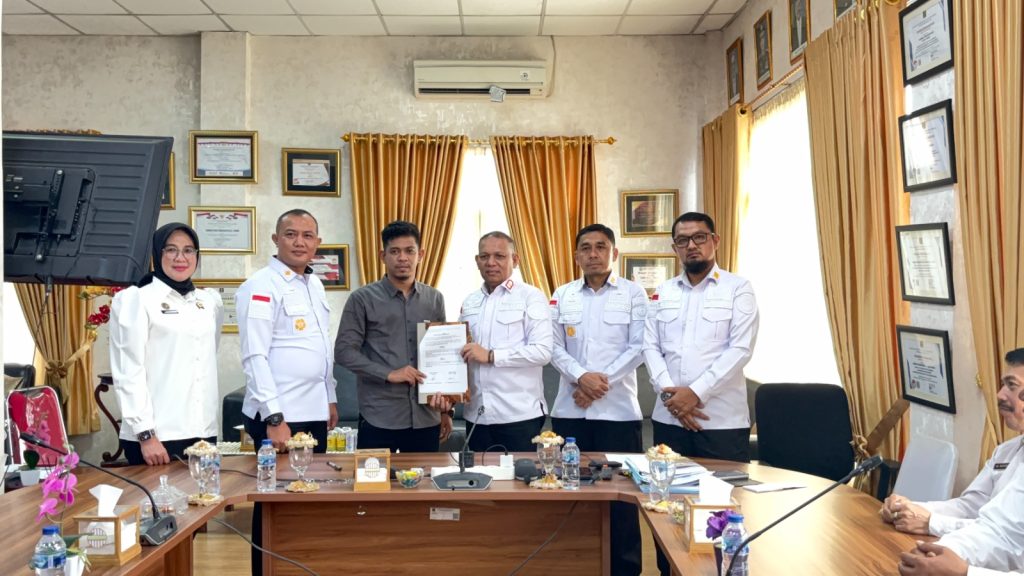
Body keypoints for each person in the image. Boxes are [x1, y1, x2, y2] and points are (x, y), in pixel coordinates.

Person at [642, 212, 759, 576]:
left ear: (715, 241)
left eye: (699, 237)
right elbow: (650, 348)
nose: (691, 245)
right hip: (669, 421)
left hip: (720, 423)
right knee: (666, 509)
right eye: (683, 240)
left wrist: (694, 393)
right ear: (674, 247)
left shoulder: (738, 288)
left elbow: (740, 349)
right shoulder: (661, 293)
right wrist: (671, 397)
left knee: (721, 512)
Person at [549, 223, 648, 576]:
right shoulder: (562, 294)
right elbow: (553, 347)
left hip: (618, 414)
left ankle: (625, 570)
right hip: (570, 412)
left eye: (601, 247)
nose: (593, 253)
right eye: (586, 247)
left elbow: (639, 347)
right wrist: (582, 378)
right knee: (571, 495)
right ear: (576, 255)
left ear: (614, 253)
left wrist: (598, 383)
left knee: (622, 499)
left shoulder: (634, 294)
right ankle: (574, 566)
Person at [892, 348, 1024, 576]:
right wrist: (909, 509)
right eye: (1003, 385)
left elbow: (1005, 538)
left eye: (1012, 386)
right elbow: (975, 510)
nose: (1000, 395)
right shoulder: (1007, 451)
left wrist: (964, 571)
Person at [110, 222, 224, 466]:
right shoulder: (137, 299)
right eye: (171, 249)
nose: (180, 258)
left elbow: (207, 356)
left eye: (188, 250)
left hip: (202, 431)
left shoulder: (208, 301)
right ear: (157, 253)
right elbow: (128, 371)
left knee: (207, 492)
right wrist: (145, 434)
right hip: (157, 437)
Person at [335, 220, 452, 453]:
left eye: (409, 251)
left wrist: (446, 410)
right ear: (383, 256)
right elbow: (344, 352)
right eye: (395, 251)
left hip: (426, 417)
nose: (403, 258)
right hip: (379, 415)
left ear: (421, 255)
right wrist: (389, 374)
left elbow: (442, 355)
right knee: (373, 477)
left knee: (423, 478)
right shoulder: (362, 299)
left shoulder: (435, 299)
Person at [237, 209, 338, 451]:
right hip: (280, 415)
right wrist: (273, 416)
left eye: (307, 236)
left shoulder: (314, 284)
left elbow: (321, 347)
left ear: (317, 242)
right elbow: (254, 356)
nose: (299, 242)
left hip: (314, 411)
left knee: (316, 475)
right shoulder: (260, 285)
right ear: (276, 239)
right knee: (281, 477)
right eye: (291, 234)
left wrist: (329, 398)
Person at [458, 231, 552, 452]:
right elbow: (461, 353)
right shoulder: (469, 302)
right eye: (484, 256)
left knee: (519, 474)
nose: (491, 262)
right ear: (477, 261)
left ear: (515, 260)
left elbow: (543, 351)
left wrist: (492, 356)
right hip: (477, 415)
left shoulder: (532, 297)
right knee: (479, 474)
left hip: (518, 415)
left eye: (499, 256)